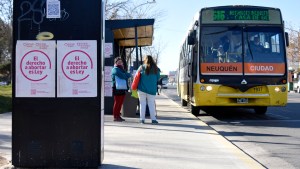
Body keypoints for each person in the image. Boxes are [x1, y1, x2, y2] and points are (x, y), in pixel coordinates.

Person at [137, 55, 160, 124]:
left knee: (142, 104)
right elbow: (158, 78)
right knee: (151, 105)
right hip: (152, 90)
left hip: (142, 89)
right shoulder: (156, 68)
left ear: (145, 60)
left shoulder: (141, 67)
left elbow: (136, 76)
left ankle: (142, 120)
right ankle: (153, 119)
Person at [111, 57, 131, 122]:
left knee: (120, 103)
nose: (120, 63)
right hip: (116, 88)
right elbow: (123, 76)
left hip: (122, 88)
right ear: (115, 62)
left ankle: (118, 116)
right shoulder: (115, 69)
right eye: (118, 62)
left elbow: (127, 75)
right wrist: (126, 75)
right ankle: (115, 116)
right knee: (117, 102)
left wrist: (125, 74)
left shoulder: (122, 69)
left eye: (121, 62)